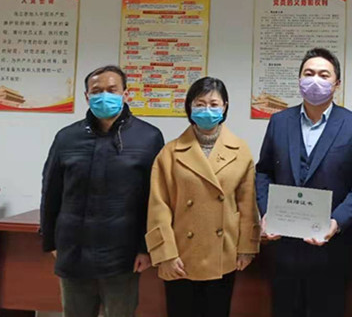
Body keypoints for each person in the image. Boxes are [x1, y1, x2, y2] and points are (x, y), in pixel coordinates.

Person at [256, 47, 352, 317]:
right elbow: (263, 173)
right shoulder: (279, 122)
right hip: (285, 247)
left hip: (333, 249)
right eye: (308, 73)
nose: (315, 80)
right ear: (299, 79)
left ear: (337, 83)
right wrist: (267, 212)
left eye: (324, 75)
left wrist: (337, 221)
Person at [40, 65, 164, 317]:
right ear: (87, 97)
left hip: (123, 254)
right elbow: (51, 191)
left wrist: (146, 248)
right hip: (73, 250)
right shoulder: (67, 137)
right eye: (96, 91)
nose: (104, 95)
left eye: (112, 89)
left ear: (125, 94)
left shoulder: (148, 137)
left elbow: (155, 199)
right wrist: (51, 241)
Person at [146, 77, 260, 317]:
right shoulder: (169, 152)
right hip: (180, 257)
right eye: (200, 104)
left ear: (225, 107)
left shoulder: (241, 151)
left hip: (223, 255)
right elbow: (159, 207)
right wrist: (165, 254)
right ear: (189, 107)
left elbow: (247, 205)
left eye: (214, 104)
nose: (207, 109)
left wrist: (246, 248)